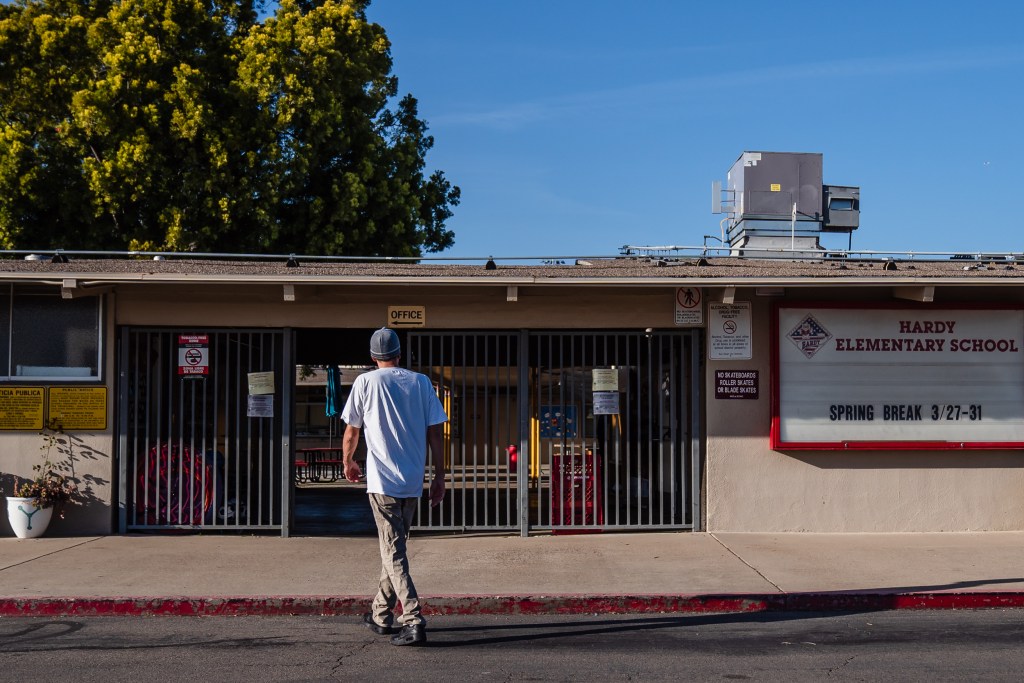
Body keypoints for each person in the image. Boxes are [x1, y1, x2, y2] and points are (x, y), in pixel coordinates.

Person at [341, 327, 447, 646]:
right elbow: (435, 435)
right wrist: (439, 476)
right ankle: (380, 614)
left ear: (374, 358)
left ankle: (413, 618)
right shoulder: (421, 382)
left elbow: (351, 432)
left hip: (382, 480)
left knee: (393, 550)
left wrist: (348, 462)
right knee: (395, 548)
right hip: (412, 481)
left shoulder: (365, 382)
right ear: (400, 354)